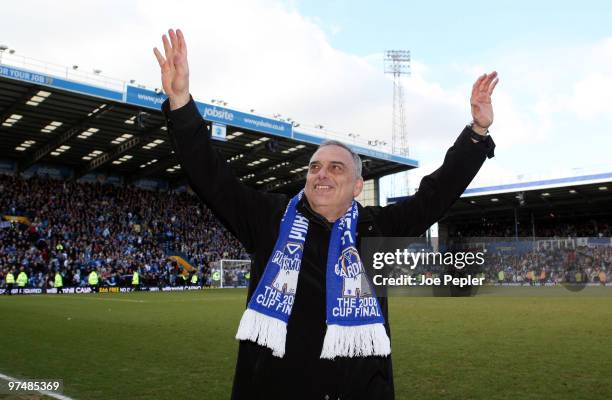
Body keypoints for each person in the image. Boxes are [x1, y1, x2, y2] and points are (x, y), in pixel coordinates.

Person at [154, 28, 497, 400]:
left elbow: (436, 194)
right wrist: (181, 102)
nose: (322, 173)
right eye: (315, 167)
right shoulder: (270, 219)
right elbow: (211, 176)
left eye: (336, 168)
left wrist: (477, 132)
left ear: (355, 187)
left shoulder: (375, 230)